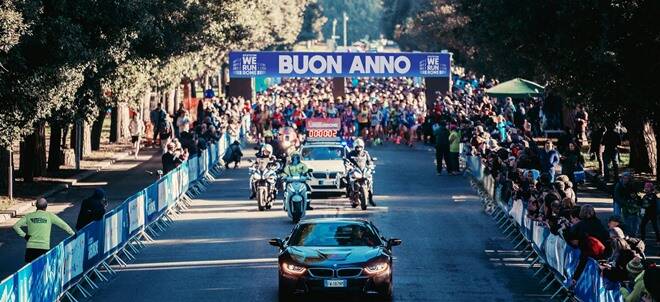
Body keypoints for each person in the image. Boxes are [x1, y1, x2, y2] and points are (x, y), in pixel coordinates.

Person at [13, 198, 75, 262]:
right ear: (46, 206)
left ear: (36, 206)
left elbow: (16, 226)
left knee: (31, 270)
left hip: (31, 248)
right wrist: (73, 233)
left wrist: (25, 235)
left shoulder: (29, 216)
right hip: (44, 248)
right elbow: (63, 225)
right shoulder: (49, 216)